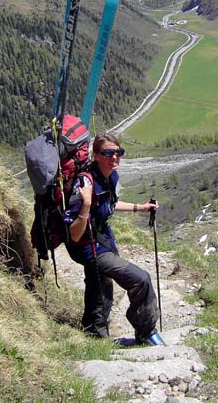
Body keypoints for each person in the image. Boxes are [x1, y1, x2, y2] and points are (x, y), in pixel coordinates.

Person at [63, 132, 164, 345]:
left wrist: (140, 207)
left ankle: (93, 335)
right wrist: (86, 205)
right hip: (86, 244)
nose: (114, 157)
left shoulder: (110, 176)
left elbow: (110, 203)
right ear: (96, 155)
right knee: (140, 279)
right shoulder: (85, 183)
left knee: (100, 285)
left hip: (100, 239)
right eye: (108, 153)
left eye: (118, 152)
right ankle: (146, 332)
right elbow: (74, 233)